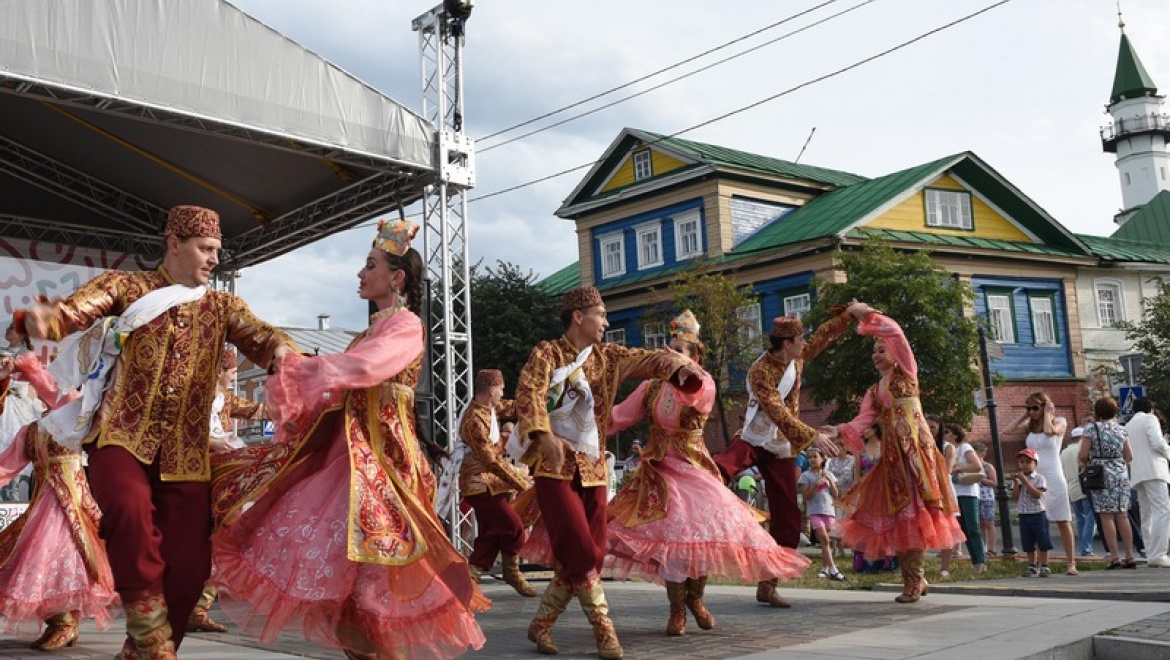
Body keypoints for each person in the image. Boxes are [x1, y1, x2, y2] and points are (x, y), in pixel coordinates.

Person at [12, 205, 295, 659]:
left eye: (217, 250)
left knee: (190, 567)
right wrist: (45, 319)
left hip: (187, 453)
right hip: (120, 438)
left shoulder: (223, 307)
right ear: (174, 244)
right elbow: (77, 309)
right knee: (128, 511)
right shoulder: (128, 288)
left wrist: (285, 354)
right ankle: (149, 635)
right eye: (205, 248)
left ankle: (147, 648)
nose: (214, 259)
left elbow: (262, 336)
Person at [209, 219, 487, 660]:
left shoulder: (405, 326)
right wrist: (297, 393)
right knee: (349, 604)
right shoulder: (370, 332)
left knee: (368, 599)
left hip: (383, 467)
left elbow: (363, 369)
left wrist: (300, 368)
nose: (360, 273)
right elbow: (342, 386)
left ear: (396, 278)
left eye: (370, 265)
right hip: (353, 464)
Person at [512, 286, 703, 660]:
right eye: (601, 314)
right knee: (580, 550)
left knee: (593, 554)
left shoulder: (609, 357)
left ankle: (542, 623)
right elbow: (529, 394)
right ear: (579, 316)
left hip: (595, 469)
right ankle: (604, 631)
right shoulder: (546, 354)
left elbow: (648, 359)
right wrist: (543, 435)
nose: (606, 321)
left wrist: (679, 368)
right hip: (554, 468)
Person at [604, 310, 809, 637]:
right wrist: (582, 428)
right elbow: (619, 417)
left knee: (700, 540)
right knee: (672, 543)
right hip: (660, 474)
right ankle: (676, 610)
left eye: (679, 350)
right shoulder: (650, 387)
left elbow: (694, 394)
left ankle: (696, 598)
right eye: (668, 348)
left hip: (694, 471)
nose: (670, 354)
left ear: (695, 356)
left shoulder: (704, 382)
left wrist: (679, 368)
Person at [713, 301, 874, 608]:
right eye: (801, 339)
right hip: (754, 437)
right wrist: (812, 435)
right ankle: (689, 500)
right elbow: (776, 411)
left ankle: (768, 584)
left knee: (788, 518)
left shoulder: (796, 359)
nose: (805, 344)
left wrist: (848, 316)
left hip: (782, 448)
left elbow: (823, 337)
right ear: (787, 343)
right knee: (719, 469)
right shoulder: (760, 370)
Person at [825, 312, 964, 604]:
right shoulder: (875, 390)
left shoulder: (907, 371)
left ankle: (915, 579)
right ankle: (915, 579)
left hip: (917, 454)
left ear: (893, 351)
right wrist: (837, 430)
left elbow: (896, 333)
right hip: (894, 459)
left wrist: (867, 315)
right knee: (901, 518)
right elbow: (864, 420)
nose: (875, 356)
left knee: (915, 515)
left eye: (881, 350)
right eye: (873, 352)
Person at [0, 352, 116, 651]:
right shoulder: (31, 431)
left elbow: (58, 392)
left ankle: (65, 623)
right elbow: (6, 466)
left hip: (71, 503)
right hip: (44, 503)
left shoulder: (74, 413)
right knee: (38, 562)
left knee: (56, 558)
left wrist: (27, 366)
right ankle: (61, 622)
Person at [188, 349, 266, 634]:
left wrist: (293, 407)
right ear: (218, 371)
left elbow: (258, 410)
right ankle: (189, 607)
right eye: (232, 372)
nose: (234, 377)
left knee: (224, 537)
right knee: (202, 538)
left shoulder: (227, 400)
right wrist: (212, 442)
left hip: (223, 473)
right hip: (197, 473)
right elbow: (183, 432)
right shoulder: (195, 398)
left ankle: (198, 608)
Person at [457, 369, 537, 595]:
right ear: (491, 391)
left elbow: (514, 407)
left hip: (491, 483)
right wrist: (520, 480)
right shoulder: (474, 419)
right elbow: (490, 461)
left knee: (491, 533)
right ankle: (511, 571)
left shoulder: (490, 409)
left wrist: (542, 399)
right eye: (501, 389)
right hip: (478, 484)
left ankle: (469, 582)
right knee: (513, 527)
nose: (503, 394)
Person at [1007, 392, 1078, 575]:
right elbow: (1007, 431)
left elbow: (1049, 431)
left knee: (1063, 520)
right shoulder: (1029, 426)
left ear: (1046, 406)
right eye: (1028, 408)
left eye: (1035, 407)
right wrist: (1025, 415)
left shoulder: (1059, 421)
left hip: (1054, 476)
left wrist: (1047, 413)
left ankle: (1071, 563)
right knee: (1040, 521)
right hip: (1035, 477)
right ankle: (1041, 563)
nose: (1032, 411)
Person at [1079, 396, 1137, 570]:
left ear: (1097, 412)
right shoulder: (1121, 429)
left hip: (1101, 475)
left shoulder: (1091, 429)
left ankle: (1115, 557)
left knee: (1106, 516)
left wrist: (1089, 462)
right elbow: (1129, 456)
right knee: (1122, 514)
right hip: (1120, 474)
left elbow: (1082, 455)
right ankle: (1130, 555)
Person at [1124, 398, 1170, 567]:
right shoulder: (1150, 419)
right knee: (1163, 511)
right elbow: (1157, 442)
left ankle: (1151, 553)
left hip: (1137, 472)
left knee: (1146, 514)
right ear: (1150, 408)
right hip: (1155, 469)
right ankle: (1160, 553)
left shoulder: (1128, 425)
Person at [944, 424, 986, 572]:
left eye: (947, 432)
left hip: (968, 492)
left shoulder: (964, 447)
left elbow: (977, 465)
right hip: (954, 492)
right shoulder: (946, 449)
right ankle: (974, 561)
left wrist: (957, 469)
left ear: (955, 435)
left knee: (972, 527)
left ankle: (980, 561)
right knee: (962, 528)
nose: (944, 434)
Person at [799, 447, 846, 581]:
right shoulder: (805, 475)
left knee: (827, 542)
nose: (812, 460)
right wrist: (815, 485)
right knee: (824, 539)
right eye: (809, 457)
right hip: (815, 511)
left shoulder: (829, 474)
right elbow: (806, 497)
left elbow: (836, 495)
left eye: (815, 457)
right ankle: (834, 570)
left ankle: (824, 569)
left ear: (822, 458)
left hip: (828, 510)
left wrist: (829, 480)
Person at [1013, 448, 1053, 577]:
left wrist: (1025, 481)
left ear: (1035, 463)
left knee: (1042, 540)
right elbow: (1015, 497)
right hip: (1024, 514)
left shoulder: (1039, 478)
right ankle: (1032, 565)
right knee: (1028, 541)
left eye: (1028, 462)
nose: (1024, 465)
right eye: (1021, 462)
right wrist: (1016, 483)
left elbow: (1037, 495)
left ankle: (1045, 565)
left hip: (1037, 513)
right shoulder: (1019, 479)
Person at [1061, 426, 1097, 557]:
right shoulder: (1082, 449)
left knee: (1080, 519)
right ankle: (1086, 548)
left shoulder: (1064, 453)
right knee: (1091, 518)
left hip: (1071, 489)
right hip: (1085, 487)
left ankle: (1084, 547)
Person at [974, 442, 998, 557]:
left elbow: (994, 482)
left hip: (987, 497)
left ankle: (991, 548)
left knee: (989, 522)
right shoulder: (972, 467)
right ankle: (982, 547)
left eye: (976, 453)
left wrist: (981, 479)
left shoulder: (987, 466)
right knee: (980, 523)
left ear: (982, 454)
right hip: (976, 496)